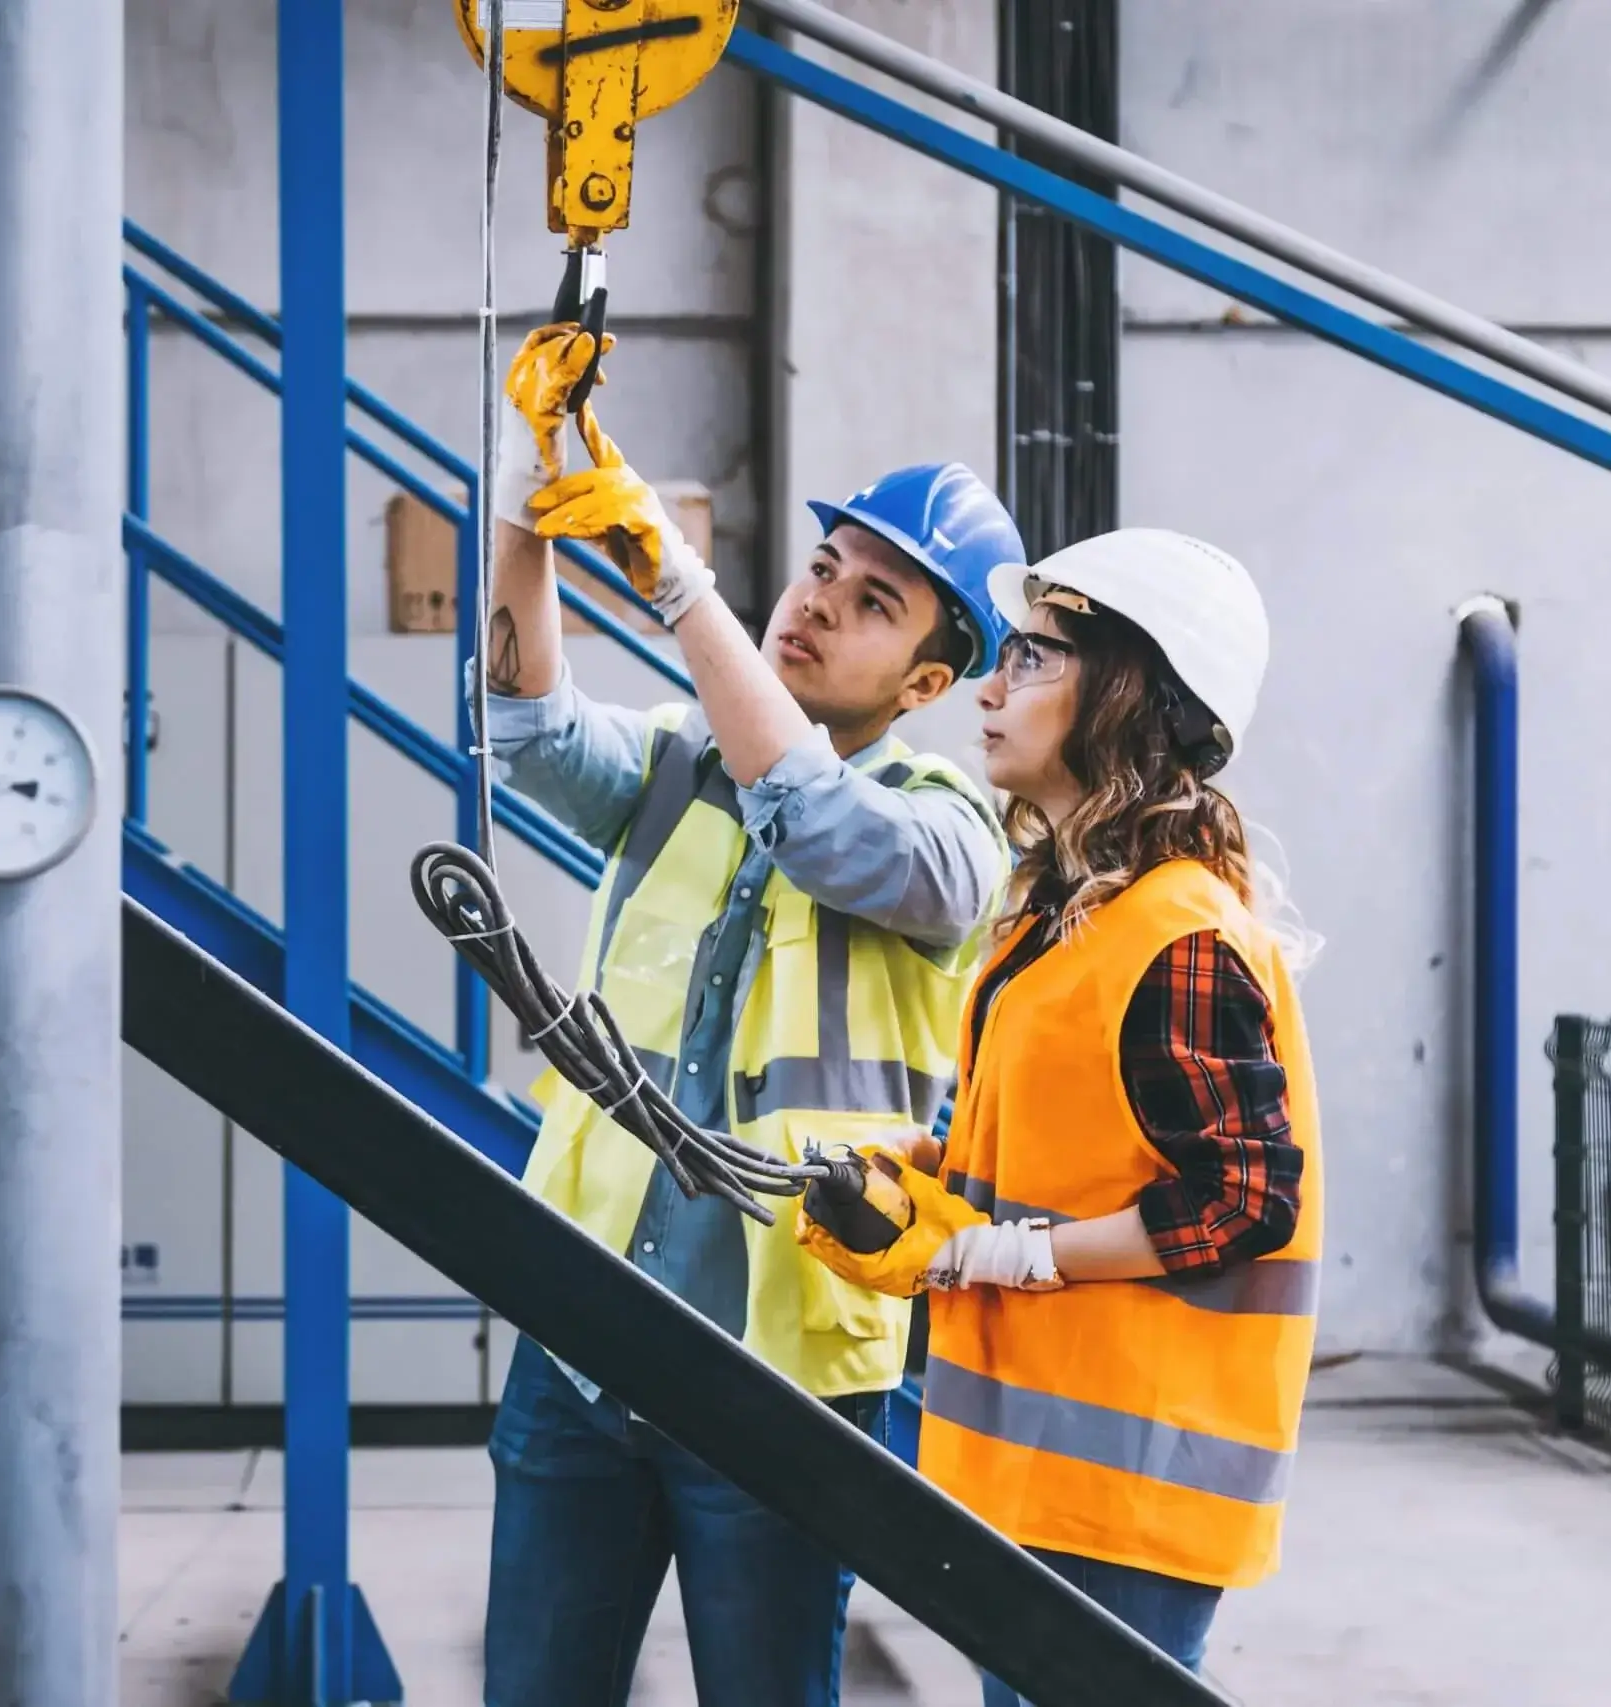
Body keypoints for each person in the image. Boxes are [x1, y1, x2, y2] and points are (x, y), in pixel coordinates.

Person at [472, 322, 1023, 1706]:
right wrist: (526, 494)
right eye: (824, 568)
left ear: (926, 684)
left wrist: (675, 580)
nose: (821, 603)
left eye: (875, 602)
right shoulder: (677, 755)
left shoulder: (950, 834)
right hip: (584, 1335)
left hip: (784, 1376)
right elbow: (530, 724)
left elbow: (819, 829)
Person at [795, 528, 1322, 1695]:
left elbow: (1239, 1201)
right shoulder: (1062, 917)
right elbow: (1064, 1144)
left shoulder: (1176, 936)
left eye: (1031, 659)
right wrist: (928, 1167)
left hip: (1129, 1491)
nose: (988, 688)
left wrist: (1000, 1254)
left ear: (1127, 700)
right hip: (1045, 1481)